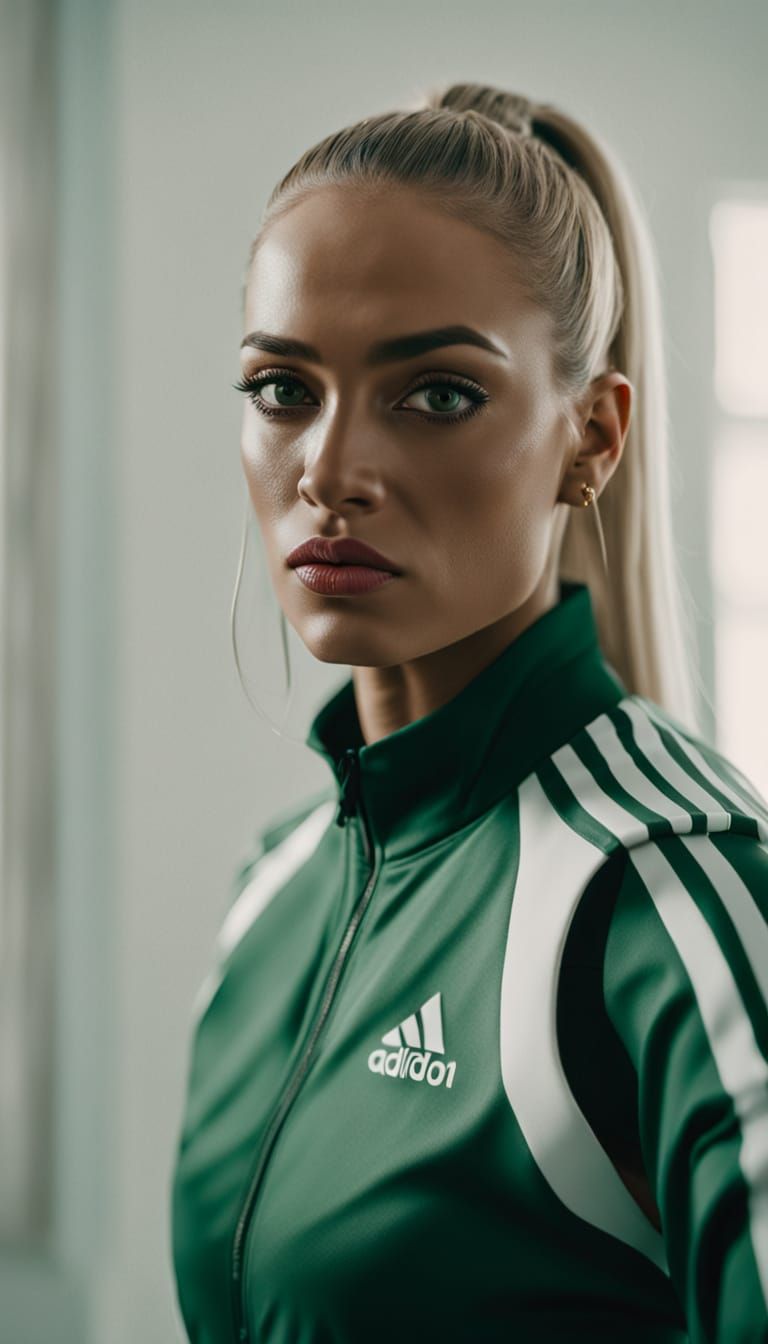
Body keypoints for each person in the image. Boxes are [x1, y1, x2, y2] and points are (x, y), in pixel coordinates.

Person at [169, 82, 768, 1344]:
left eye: (435, 394)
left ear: (590, 437)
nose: (330, 473)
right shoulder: (270, 895)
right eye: (283, 389)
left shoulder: (670, 897)